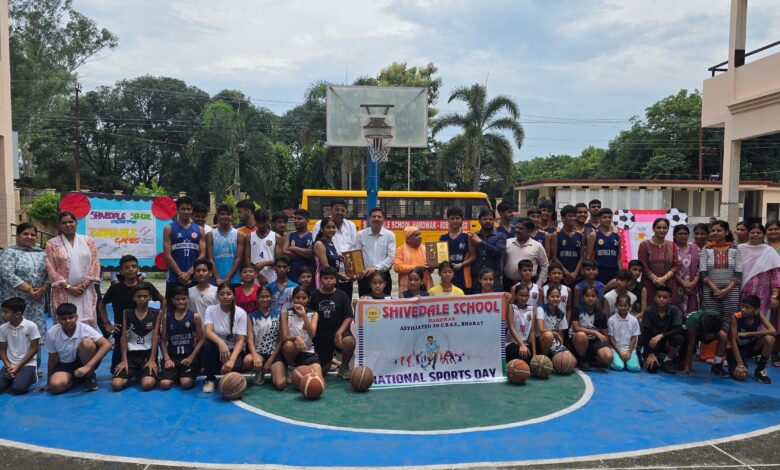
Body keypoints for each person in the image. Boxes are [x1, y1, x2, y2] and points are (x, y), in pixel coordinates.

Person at [99, 255, 163, 373]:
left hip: (145, 329)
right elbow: (101, 305)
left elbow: (163, 300)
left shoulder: (146, 287)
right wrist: (107, 323)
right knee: (117, 371)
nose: (131, 269)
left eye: (133, 266)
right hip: (121, 329)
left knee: (148, 371)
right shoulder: (115, 288)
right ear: (121, 270)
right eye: (127, 267)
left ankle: (151, 363)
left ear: (138, 268)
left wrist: (160, 321)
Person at [36, 303, 111, 394]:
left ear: (77, 317)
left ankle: (89, 376)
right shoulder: (52, 333)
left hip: (84, 362)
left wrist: (88, 367)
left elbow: (106, 344)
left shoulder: (84, 328)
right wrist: (48, 383)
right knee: (55, 386)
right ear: (58, 320)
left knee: (87, 343)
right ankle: (78, 379)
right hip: (65, 365)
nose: (68, 321)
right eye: (63, 319)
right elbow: (53, 359)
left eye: (71, 317)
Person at [0, 223, 49, 359]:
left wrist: (43, 289)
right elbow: (6, 273)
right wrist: (29, 289)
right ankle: (13, 364)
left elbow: (50, 274)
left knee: (34, 331)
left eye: (33, 235)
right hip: (16, 300)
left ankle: (35, 365)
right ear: (17, 235)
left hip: (36, 300)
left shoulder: (42, 253)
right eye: (25, 234)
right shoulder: (10, 252)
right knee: (15, 330)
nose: (29, 237)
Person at [45, 211, 101, 327]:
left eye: (70, 221)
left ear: (76, 223)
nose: (68, 225)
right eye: (64, 223)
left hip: (85, 290)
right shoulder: (52, 244)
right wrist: (68, 287)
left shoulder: (88, 241)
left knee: (87, 325)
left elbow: (95, 263)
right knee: (65, 322)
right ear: (59, 225)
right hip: (63, 291)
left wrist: (84, 285)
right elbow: (50, 268)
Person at [112, 283, 162, 392]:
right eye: (139, 296)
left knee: (147, 384)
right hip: (131, 356)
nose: (142, 299)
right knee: (116, 385)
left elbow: (155, 337)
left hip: (147, 355)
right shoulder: (127, 313)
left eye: (145, 296)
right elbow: (124, 337)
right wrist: (123, 360)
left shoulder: (157, 313)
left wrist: (152, 359)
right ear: (134, 298)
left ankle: (145, 372)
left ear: (150, 297)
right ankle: (135, 372)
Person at [699, 220, 742, 348]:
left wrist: (726, 290)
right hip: (710, 292)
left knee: (730, 320)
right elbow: (703, 272)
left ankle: (726, 352)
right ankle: (710, 352)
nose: (715, 233)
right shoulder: (706, 249)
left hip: (731, 292)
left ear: (726, 232)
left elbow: (738, 272)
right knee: (710, 320)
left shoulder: (735, 249)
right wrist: (716, 289)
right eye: (713, 230)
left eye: (719, 230)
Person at [202, 283, 248, 393]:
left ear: (234, 296)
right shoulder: (211, 310)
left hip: (233, 350)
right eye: (222, 294)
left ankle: (229, 372)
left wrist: (231, 361)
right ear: (217, 296)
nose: (225, 296)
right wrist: (221, 343)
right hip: (217, 348)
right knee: (206, 344)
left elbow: (240, 340)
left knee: (234, 368)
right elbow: (207, 331)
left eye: (228, 294)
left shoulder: (241, 313)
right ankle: (209, 379)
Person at [310, 266, 355, 379]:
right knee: (322, 372)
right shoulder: (314, 296)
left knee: (349, 341)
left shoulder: (342, 295)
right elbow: (309, 316)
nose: (329, 280)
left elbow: (349, 316)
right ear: (320, 279)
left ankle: (344, 367)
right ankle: (329, 362)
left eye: (331, 278)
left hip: (338, 332)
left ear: (336, 279)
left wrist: (339, 333)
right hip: (321, 336)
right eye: (326, 278)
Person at [273, 287, 322, 390]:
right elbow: (283, 337)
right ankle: (291, 367)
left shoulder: (314, 314)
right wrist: (297, 337)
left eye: (304, 298)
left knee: (317, 383)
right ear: (292, 298)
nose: (300, 300)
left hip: (307, 351)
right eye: (297, 297)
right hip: (288, 352)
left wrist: (304, 315)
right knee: (280, 384)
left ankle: (298, 372)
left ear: (309, 299)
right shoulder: (286, 313)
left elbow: (312, 334)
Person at [159, 286, 204, 391]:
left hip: (189, 356)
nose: (181, 301)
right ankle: (176, 374)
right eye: (178, 299)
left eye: (183, 299)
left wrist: (191, 358)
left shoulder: (195, 317)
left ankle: (187, 373)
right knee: (164, 384)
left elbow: (202, 339)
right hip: (172, 357)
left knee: (186, 383)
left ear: (188, 299)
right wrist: (167, 358)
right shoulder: (166, 317)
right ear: (173, 300)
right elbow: (163, 340)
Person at [163, 196, 205, 307]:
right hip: (174, 277)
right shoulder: (169, 228)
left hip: (194, 277)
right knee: (172, 310)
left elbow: (202, 254)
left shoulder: (200, 230)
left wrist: (189, 273)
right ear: (178, 210)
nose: (186, 211)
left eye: (189, 209)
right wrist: (181, 274)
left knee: (194, 309)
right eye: (183, 209)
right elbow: (167, 255)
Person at [311, 199, 357, 296]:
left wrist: (355, 272)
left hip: (346, 274)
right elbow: (324, 264)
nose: (339, 212)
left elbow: (353, 248)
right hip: (328, 278)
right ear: (331, 210)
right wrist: (339, 276)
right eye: (337, 209)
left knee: (344, 300)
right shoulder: (320, 231)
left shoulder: (351, 225)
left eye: (342, 210)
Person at [727, 295, 775, 384]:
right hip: (737, 348)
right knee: (741, 375)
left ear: (756, 310)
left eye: (747, 307)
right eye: (742, 306)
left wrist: (748, 334)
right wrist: (740, 364)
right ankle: (738, 363)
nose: (743, 309)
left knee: (770, 339)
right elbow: (733, 341)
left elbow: (773, 331)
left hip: (751, 346)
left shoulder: (759, 314)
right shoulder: (735, 317)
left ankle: (759, 370)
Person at [738, 223, 780, 318]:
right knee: (742, 314)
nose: (755, 235)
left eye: (759, 232)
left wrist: (774, 296)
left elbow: (776, 275)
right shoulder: (740, 249)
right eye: (753, 232)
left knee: (760, 316)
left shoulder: (769, 251)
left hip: (762, 292)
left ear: (764, 235)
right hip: (742, 290)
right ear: (748, 234)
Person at [640, 286, 684, 374]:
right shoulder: (648, 311)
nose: (661, 299)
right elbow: (646, 334)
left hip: (667, 342)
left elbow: (678, 329)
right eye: (659, 296)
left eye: (665, 297)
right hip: (651, 344)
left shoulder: (674, 310)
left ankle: (668, 360)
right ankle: (649, 356)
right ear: (654, 298)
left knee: (678, 338)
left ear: (670, 300)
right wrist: (651, 354)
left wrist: (661, 335)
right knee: (652, 369)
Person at [0, 298, 40, 395]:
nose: (2, 314)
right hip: (10, 364)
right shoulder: (3, 328)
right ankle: (14, 376)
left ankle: (32, 375)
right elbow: (2, 350)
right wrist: (8, 365)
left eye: (6, 312)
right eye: (2, 311)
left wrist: (18, 366)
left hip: (27, 363)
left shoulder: (31, 326)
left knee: (19, 389)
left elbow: (34, 348)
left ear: (17, 314)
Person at [244, 285, 282, 386]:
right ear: (257, 298)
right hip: (259, 353)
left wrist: (270, 360)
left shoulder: (279, 314)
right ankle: (258, 371)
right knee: (247, 360)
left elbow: (281, 339)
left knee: (280, 384)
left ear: (271, 297)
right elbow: (250, 339)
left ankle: (278, 369)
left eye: (267, 296)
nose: (265, 299)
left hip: (274, 354)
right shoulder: (251, 316)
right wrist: (255, 356)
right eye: (262, 297)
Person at [354, 207, 396, 297]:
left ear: (383, 219)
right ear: (369, 219)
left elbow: (390, 258)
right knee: (365, 302)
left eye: (379, 216)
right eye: (374, 216)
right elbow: (357, 256)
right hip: (365, 277)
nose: (376, 219)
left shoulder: (390, 235)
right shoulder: (360, 234)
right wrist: (359, 271)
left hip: (383, 276)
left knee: (385, 303)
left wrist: (375, 268)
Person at [638, 218, 678, 304]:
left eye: (664, 228)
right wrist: (656, 279)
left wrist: (664, 279)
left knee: (668, 309)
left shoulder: (672, 245)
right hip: (649, 284)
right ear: (653, 229)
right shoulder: (644, 245)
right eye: (658, 227)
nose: (662, 230)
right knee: (650, 308)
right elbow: (643, 265)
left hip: (669, 284)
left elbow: (676, 265)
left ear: (668, 229)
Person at [571, 286, 612, 371]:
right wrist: (595, 332)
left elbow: (605, 333)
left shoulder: (601, 313)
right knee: (581, 335)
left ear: (597, 298)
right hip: (578, 341)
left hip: (594, 341)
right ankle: (582, 358)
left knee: (608, 357)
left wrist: (606, 346)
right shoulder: (577, 308)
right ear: (583, 297)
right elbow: (575, 328)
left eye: (593, 296)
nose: (590, 298)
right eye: (587, 296)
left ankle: (593, 358)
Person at [503, 218, 549, 292]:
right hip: (508, 283)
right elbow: (502, 262)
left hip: (529, 285)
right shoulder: (507, 243)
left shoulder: (537, 246)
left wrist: (538, 284)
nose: (517, 230)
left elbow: (545, 265)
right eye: (516, 227)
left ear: (529, 231)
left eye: (521, 228)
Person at [207, 203, 245, 287]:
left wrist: (227, 279)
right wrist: (217, 278)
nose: (225, 216)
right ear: (218, 216)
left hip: (234, 280)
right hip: (215, 280)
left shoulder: (239, 235)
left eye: (228, 214)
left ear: (232, 216)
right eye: (222, 214)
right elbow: (210, 259)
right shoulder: (210, 235)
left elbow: (238, 258)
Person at [439, 207, 475, 293]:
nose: (454, 221)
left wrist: (461, 264)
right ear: (448, 220)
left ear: (462, 220)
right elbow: (441, 259)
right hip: (448, 276)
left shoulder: (468, 236)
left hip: (464, 277)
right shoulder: (443, 237)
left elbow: (473, 256)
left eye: (457, 218)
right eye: (452, 218)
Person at [470, 209, 506, 292]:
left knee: (495, 300)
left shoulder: (501, 236)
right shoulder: (474, 236)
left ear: (494, 220)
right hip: (477, 278)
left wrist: (481, 242)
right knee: (476, 300)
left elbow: (498, 253)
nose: (488, 221)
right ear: (479, 221)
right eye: (485, 219)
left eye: (490, 219)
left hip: (494, 278)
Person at [682, 308, 727, 376]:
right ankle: (682, 360)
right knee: (684, 364)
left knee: (723, 336)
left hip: (705, 329)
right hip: (688, 331)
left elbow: (721, 329)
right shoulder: (692, 321)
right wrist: (687, 366)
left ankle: (717, 365)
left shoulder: (716, 317)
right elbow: (690, 345)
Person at [535, 286, 573, 363]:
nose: (555, 298)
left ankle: (554, 360)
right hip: (541, 341)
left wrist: (561, 348)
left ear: (560, 298)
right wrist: (555, 333)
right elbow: (541, 329)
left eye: (557, 296)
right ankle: (543, 360)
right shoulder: (541, 309)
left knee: (571, 361)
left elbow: (560, 334)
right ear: (547, 298)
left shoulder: (561, 313)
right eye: (552, 296)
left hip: (554, 343)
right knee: (549, 335)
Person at [313, 216, 351, 293]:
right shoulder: (319, 244)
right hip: (322, 282)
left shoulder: (331, 243)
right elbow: (326, 267)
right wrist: (340, 276)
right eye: (328, 227)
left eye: (333, 227)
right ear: (321, 229)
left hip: (332, 280)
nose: (331, 230)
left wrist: (341, 258)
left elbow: (332, 259)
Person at [550, 205, 584, 287]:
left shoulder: (580, 235)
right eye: (569, 216)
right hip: (561, 274)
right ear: (563, 218)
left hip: (575, 275)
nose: (572, 218)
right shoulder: (556, 235)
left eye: (574, 216)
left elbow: (582, 257)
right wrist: (566, 272)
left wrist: (575, 273)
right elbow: (554, 257)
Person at [394, 225, 433, 294]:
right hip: (408, 286)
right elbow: (397, 267)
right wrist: (416, 267)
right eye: (416, 235)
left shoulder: (425, 249)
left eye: (420, 234)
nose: (420, 237)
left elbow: (430, 269)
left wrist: (431, 267)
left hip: (424, 285)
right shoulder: (400, 250)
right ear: (408, 239)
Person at [587, 208, 621, 285]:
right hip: (598, 271)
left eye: (610, 217)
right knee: (598, 291)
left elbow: (619, 257)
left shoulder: (617, 236)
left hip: (613, 271)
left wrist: (621, 273)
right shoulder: (593, 235)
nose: (608, 219)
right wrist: (590, 272)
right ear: (599, 219)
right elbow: (589, 257)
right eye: (605, 217)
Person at [608, 294, 641, 372]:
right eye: (620, 305)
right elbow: (611, 338)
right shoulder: (611, 320)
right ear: (616, 305)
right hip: (616, 349)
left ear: (630, 306)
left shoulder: (634, 320)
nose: (622, 308)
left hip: (629, 349)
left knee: (634, 368)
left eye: (625, 305)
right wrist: (619, 352)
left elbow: (633, 338)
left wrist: (629, 352)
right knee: (618, 366)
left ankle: (628, 360)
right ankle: (619, 361)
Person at [248, 209, 282, 286]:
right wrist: (258, 274)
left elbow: (279, 259)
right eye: (258, 222)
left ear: (268, 220)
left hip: (271, 275)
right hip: (254, 275)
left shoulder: (276, 237)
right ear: (255, 221)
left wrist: (264, 263)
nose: (261, 225)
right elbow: (247, 259)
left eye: (264, 222)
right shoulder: (249, 237)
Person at [673, 224, 700, 315]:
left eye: (685, 234)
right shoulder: (671, 249)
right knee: (677, 314)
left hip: (693, 287)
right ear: (674, 235)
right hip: (676, 286)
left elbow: (700, 268)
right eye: (680, 234)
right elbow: (670, 268)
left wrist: (693, 283)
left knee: (691, 315)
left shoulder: (695, 248)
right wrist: (683, 284)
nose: (683, 236)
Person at [282, 208, 314, 284]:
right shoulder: (289, 235)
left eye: (299, 219)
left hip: (308, 274)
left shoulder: (313, 235)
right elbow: (284, 251)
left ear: (307, 220)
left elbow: (311, 254)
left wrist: (294, 248)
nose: (296, 221)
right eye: (294, 218)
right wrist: (304, 254)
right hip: (292, 273)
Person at [505, 284, 535, 361]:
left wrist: (534, 353)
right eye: (521, 295)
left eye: (526, 295)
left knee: (529, 361)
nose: (524, 298)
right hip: (511, 343)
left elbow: (531, 331)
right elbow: (511, 327)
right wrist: (521, 345)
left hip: (525, 344)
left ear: (529, 296)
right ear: (516, 296)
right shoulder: (511, 307)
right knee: (516, 354)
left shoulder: (531, 309)